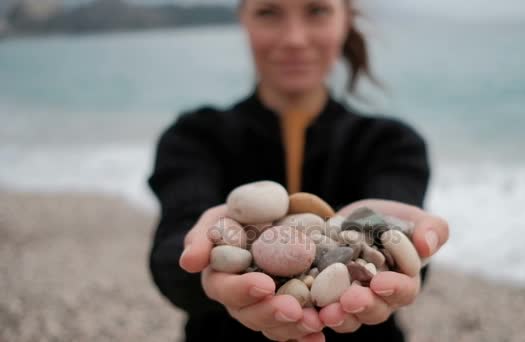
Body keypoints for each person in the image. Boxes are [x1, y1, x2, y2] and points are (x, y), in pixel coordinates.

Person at [147, 0, 450, 341]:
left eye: (317, 11)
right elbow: (170, 257)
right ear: (243, 20)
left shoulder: (391, 143)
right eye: (269, 12)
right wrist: (205, 265)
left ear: (345, 20)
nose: (294, 38)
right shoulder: (194, 137)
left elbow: (407, 259)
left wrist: (392, 243)